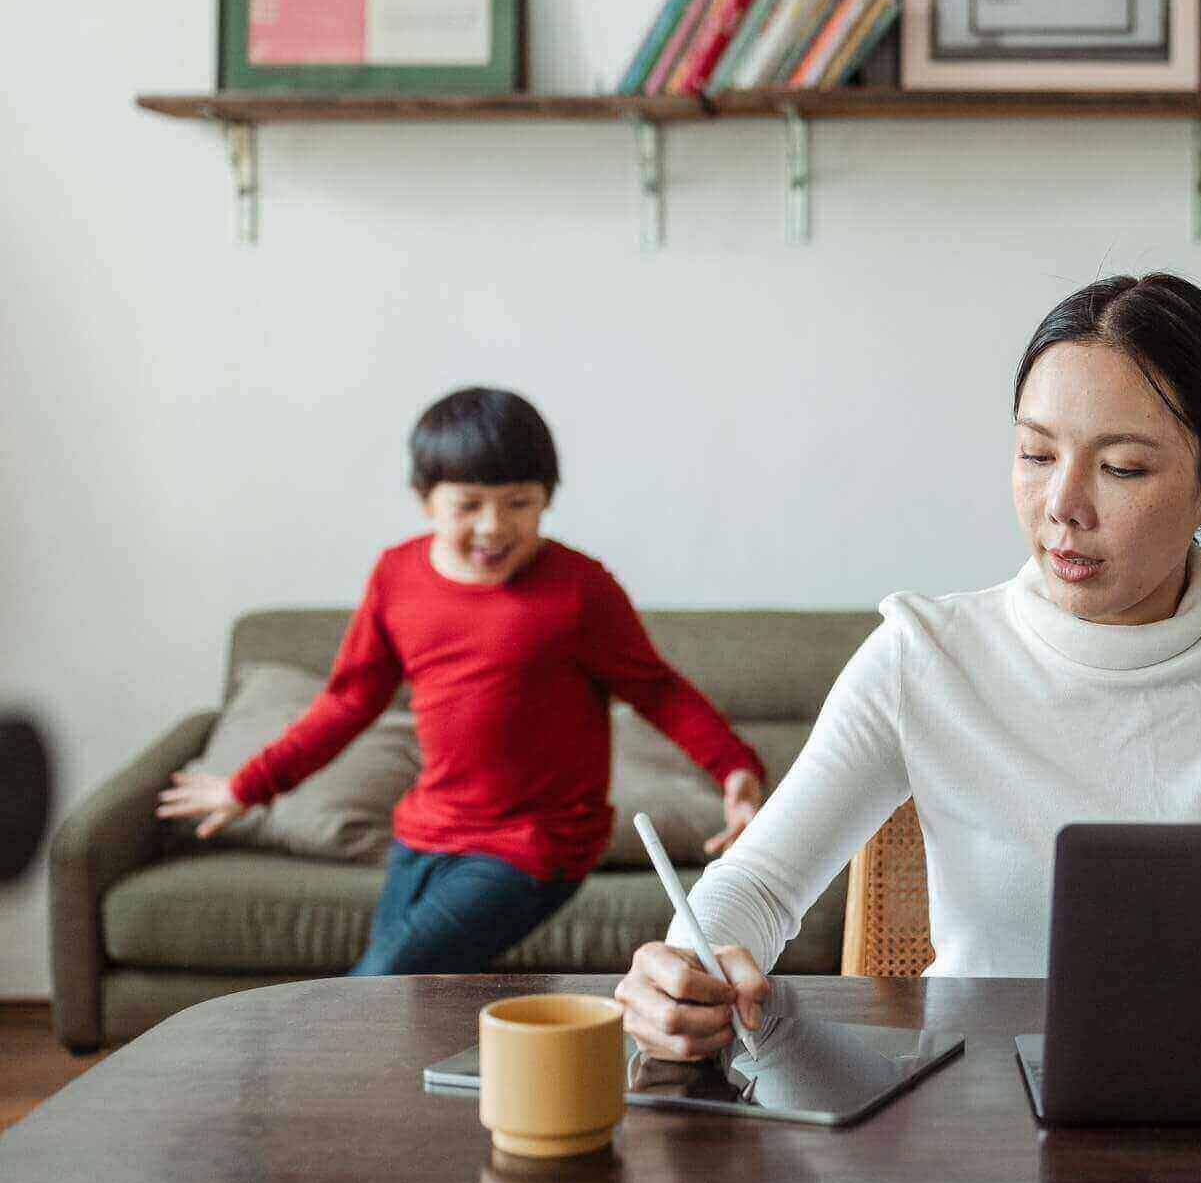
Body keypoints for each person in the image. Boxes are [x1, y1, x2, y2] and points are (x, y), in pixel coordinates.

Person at [615, 274, 1201, 1062]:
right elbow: (761, 883)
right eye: (1036, 454)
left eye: (1122, 467)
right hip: (975, 1116)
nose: (1063, 506)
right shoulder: (927, 655)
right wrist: (686, 967)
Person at [157, 388, 767, 975]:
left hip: (537, 844)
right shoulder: (396, 576)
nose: (494, 527)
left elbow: (658, 690)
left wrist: (734, 770)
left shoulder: (580, 590)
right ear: (426, 499)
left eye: (519, 503)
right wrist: (250, 785)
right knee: (406, 1007)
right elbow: (348, 701)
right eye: (469, 505)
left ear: (547, 498)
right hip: (426, 832)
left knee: (377, 985)